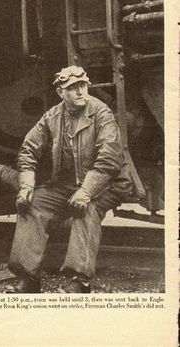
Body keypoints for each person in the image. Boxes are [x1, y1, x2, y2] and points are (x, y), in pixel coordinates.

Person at [8, 65, 132, 293]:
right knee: (32, 205)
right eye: (73, 88)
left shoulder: (101, 113)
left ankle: (80, 281)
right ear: (60, 93)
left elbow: (109, 159)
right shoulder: (52, 117)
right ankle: (29, 278)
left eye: (83, 85)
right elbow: (28, 150)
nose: (80, 91)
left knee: (85, 208)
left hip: (107, 183)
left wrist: (86, 192)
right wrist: (26, 185)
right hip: (67, 185)